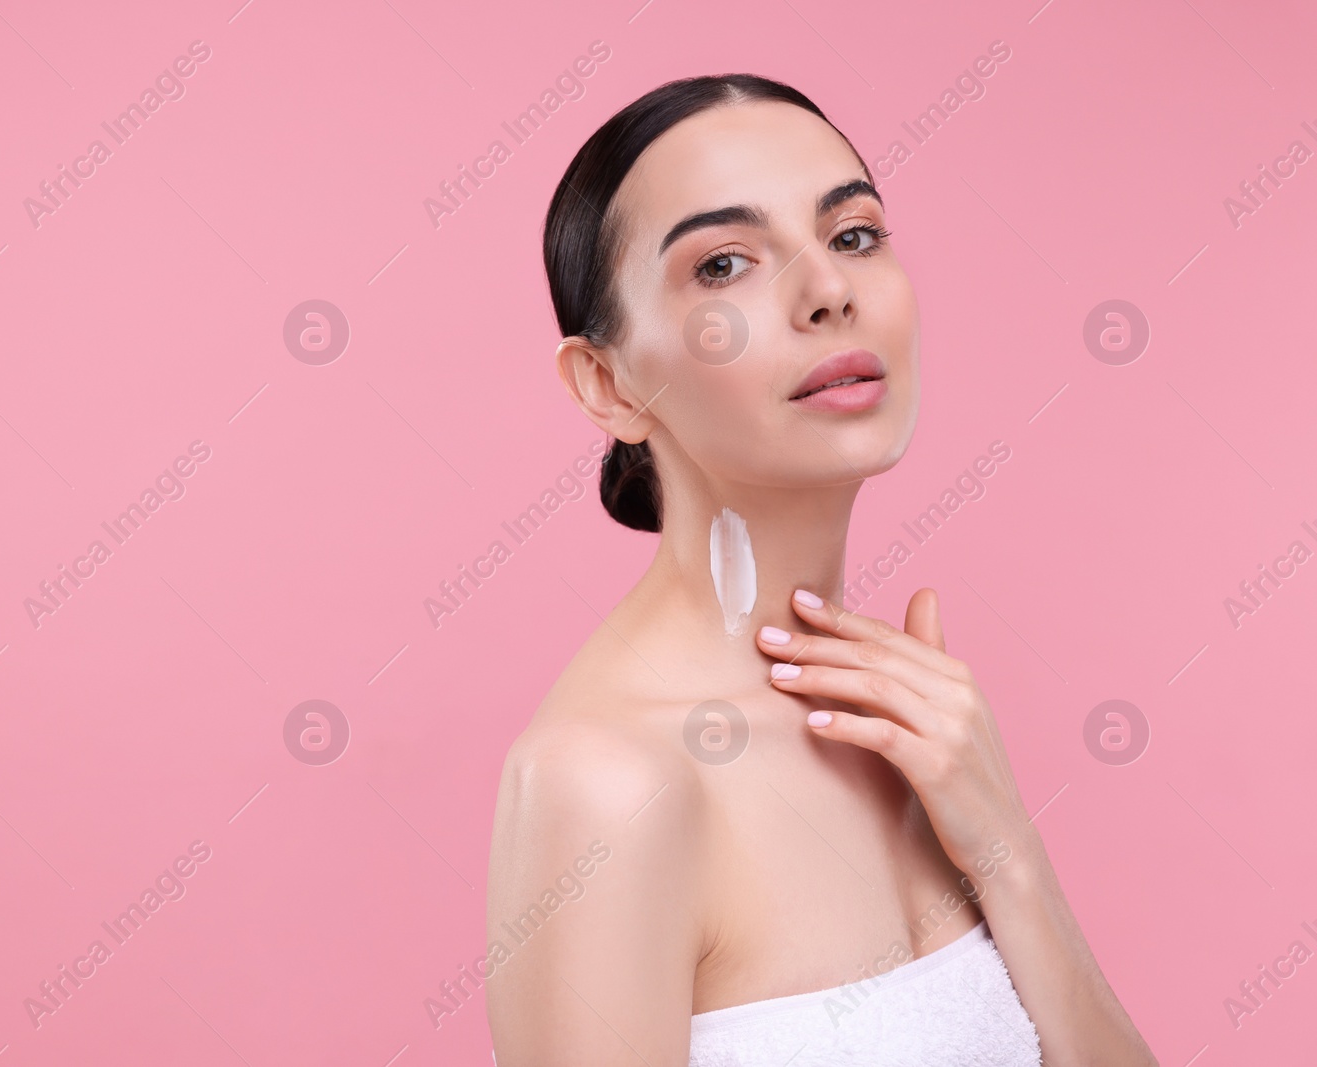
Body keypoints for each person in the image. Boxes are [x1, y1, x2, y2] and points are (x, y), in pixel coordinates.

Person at [484, 74, 1156, 1066]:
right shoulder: (605, 783)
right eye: (723, 264)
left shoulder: (915, 722)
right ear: (609, 383)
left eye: (851, 235)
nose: (828, 290)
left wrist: (1009, 854)